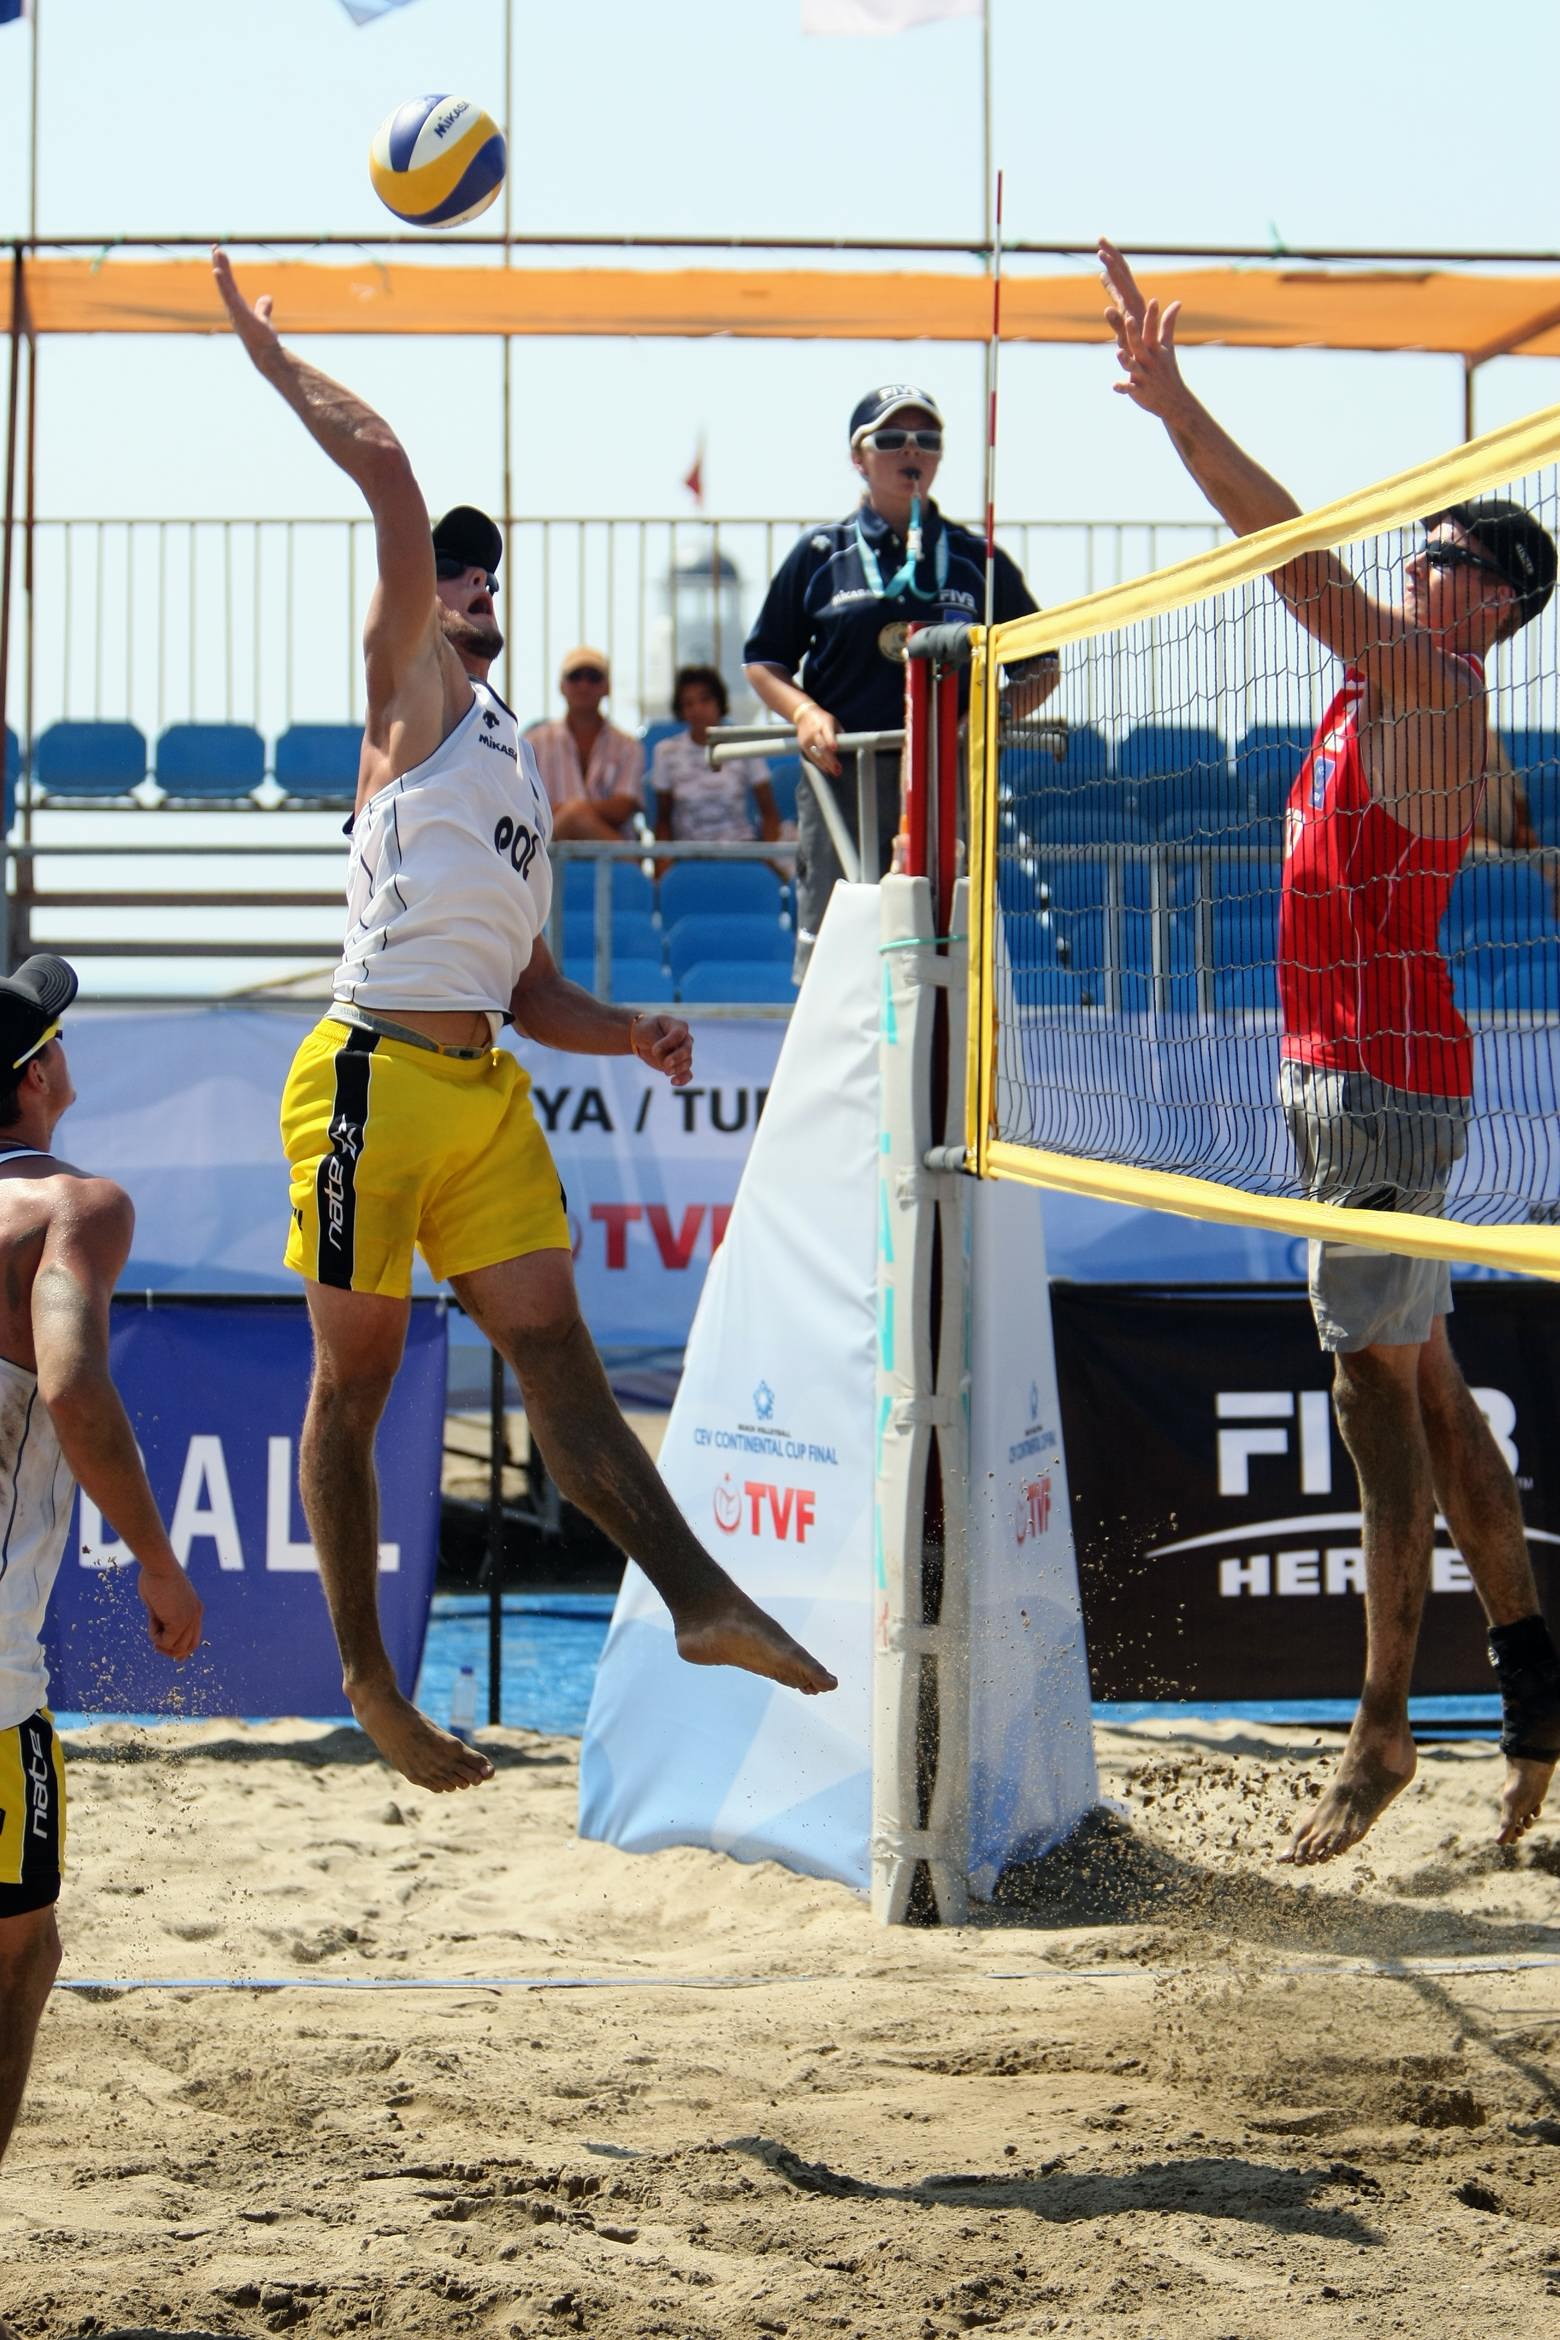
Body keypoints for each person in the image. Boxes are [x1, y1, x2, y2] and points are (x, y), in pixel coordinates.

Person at [211, 249, 836, 1796]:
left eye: (485, 573)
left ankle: (699, 1600)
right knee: (354, 1387)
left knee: (558, 1356)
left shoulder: (512, 760)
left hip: (482, 1084)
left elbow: (530, 982)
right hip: (368, 1077)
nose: (470, 581)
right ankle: (371, 1683)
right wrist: (272, 362)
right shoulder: (407, 686)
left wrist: (629, 1034)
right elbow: (388, 470)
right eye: (452, 570)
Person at [1100, 238, 1560, 1863]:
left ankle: (1380, 1725)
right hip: (1365, 1074)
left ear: (1490, 601)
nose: (1417, 562)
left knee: (1378, 1409)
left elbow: (1286, 550)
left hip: (1375, 1085)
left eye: (1444, 554)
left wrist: (1174, 406)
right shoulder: (1392, 696)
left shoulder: (1423, 676)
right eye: (1422, 552)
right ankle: (1535, 1691)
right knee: (1431, 1391)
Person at [0, 954, 203, 2178]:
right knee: (22, 1953)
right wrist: (159, 1564)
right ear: (37, 1076)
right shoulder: (74, 1206)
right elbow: (73, 1388)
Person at [744, 384, 1059, 971]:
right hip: (844, 773)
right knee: (838, 938)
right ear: (857, 457)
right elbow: (763, 660)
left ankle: (946, 1030)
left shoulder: (976, 557)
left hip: (948, 775)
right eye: (890, 439)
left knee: (946, 936)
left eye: (927, 440)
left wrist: (991, 715)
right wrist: (804, 713)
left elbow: (1042, 663)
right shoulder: (820, 553)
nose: (911, 451)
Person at [652, 664, 782, 850]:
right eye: (688, 703)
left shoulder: (745, 746)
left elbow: (769, 812)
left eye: (704, 700)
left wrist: (771, 858)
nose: (697, 709)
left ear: (719, 702)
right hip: (688, 855)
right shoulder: (666, 752)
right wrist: (663, 864)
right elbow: (663, 820)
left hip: (742, 850)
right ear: (681, 710)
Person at [525, 647, 645, 840]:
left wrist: (573, 812)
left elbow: (622, 809)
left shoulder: (629, 746)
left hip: (606, 852)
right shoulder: (533, 742)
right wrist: (574, 815)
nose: (584, 685)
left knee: (574, 817)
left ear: (607, 687)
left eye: (593, 677)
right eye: (575, 677)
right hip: (550, 849)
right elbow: (524, 806)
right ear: (562, 686)